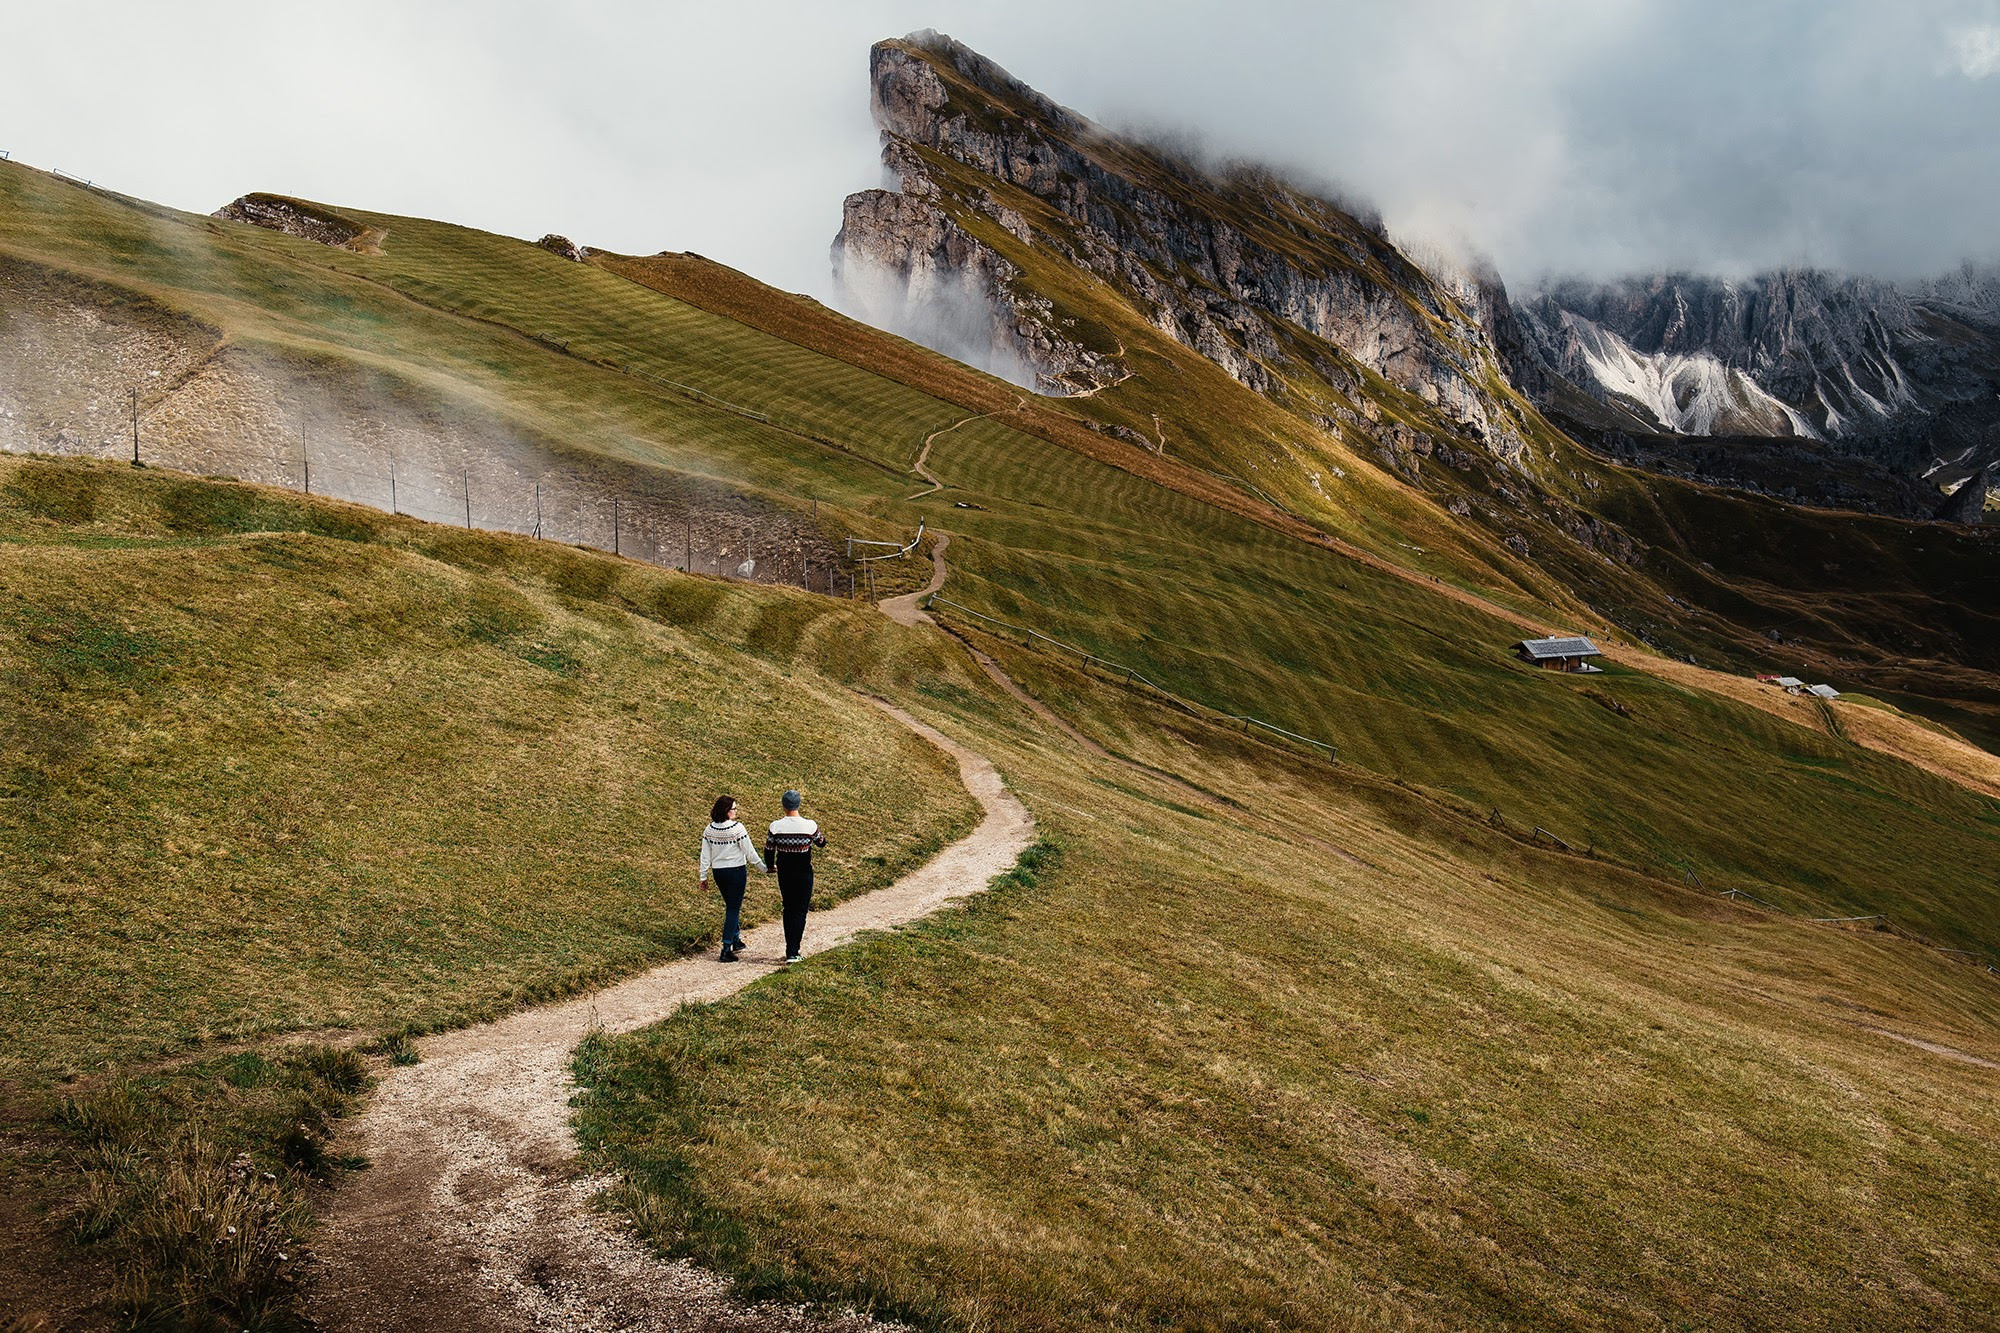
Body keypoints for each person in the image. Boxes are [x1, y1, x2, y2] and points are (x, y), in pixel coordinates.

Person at [699, 794, 766, 962]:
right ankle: (726, 947)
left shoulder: (709, 829)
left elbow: (705, 855)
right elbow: (749, 852)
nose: (736, 812)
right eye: (734, 809)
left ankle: (736, 940)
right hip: (736, 871)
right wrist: (763, 868)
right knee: (733, 908)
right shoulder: (737, 828)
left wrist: (703, 876)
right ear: (727, 811)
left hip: (719, 872)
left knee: (731, 905)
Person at [764, 789, 826, 964]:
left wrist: (770, 866)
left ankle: (789, 948)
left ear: (784, 805)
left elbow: (769, 849)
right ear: (798, 804)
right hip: (803, 872)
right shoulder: (809, 825)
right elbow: (821, 843)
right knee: (800, 911)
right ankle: (793, 951)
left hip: (784, 872)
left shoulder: (775, 826)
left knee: (788, 908)